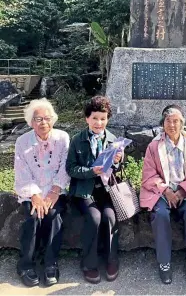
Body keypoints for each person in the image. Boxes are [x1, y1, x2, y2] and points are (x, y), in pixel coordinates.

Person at [140, 105, 186, 284]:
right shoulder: (154, 146)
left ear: (182, 123)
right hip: (161, 192)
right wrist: (166, 191)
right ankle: (164, 262)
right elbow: (148, 175)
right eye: (168, 121)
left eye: (176, 121)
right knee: (160, 215)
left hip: (185, 191)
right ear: (163, 124)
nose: (172, 125)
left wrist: (182, 190)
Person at [66, 96, 122, 284]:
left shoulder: (113, 140)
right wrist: (91, 171)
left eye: (103, 118)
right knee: (94, 218)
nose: (99, 123)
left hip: (106, 191)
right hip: (84, 191)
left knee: (110, 217)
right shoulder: (78, 140)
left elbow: (118, 170)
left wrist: (117, 161)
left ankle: (112, 260)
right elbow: (71, 168)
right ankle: (89, 264)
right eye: (95, 118)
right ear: (87, 119)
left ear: (108, 119)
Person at [14, 98, 70, 287]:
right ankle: (25, 265)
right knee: (34, 216)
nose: (43, 123)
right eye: (38, 119)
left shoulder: (63, 138)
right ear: (31, 122)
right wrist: (35, 195)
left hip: (56, 190)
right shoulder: (22, 141)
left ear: (53, 119)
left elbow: (65, 166)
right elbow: (21, 170)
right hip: (32, 191)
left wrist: (55, 191)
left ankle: (50, 264)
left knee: (54, 216)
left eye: (47, 118)